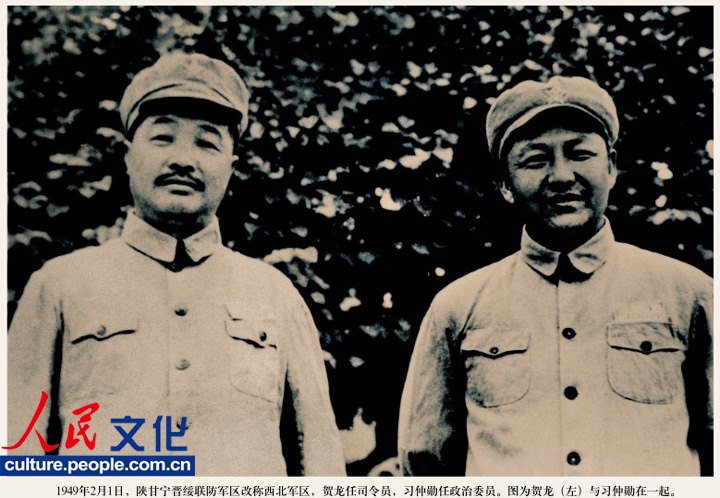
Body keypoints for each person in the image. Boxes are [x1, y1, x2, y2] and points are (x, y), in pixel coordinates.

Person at [6, 51, 346, 476]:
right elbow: (16, 454)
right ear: (128, 156)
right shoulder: (60, 286)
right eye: (163, 138)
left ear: (231, 167)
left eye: (207, 143)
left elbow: (321, 462)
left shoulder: (275, 295)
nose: (184, 159)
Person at [398, 76, 712, 476]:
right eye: (536, 160)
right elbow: (425, 462)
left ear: (611, 166)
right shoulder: (458, 307)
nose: (562, 176)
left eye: (580, 154)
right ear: (505, 184)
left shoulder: (690, 295)